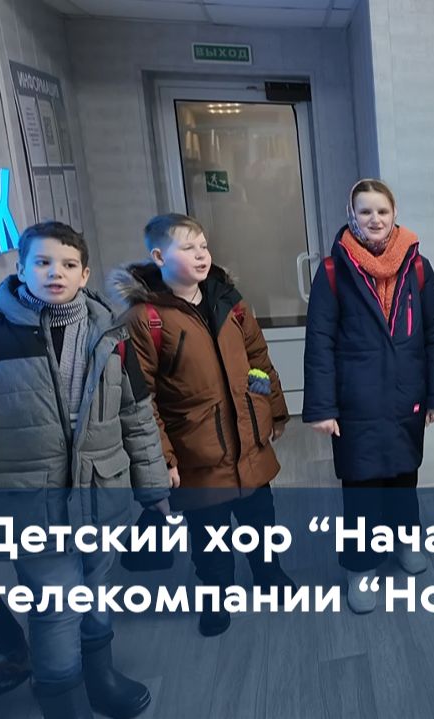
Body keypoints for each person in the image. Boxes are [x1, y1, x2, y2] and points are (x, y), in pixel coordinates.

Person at [0, 221, 170, 719]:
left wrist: (152, 490)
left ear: (84, 274)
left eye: (67, 264)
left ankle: (99, 677)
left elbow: (137, 417)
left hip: (101, 500)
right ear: (21, 270)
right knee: (56, 608)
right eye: (42, 262)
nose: (55, 272)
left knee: (97, 591)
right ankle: (63, 699)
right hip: (30, 513)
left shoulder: (112, 340)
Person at [111, 213, 292, 638]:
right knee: (210, 537)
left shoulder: (230, 302)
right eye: (188, 247)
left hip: (248, 441)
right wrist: (164, 460)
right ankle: (217, 594)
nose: (201, 255)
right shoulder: (145, 319)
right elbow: (140, 399)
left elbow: (258, 360)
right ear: (160, 257)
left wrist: (273, 409)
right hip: (196, 453)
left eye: (204, 246)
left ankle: (268, 575)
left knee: (261, 521)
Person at [303, 179, 434, 614]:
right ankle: (361, 566)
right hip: (357, 400)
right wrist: (322, 407)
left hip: (407, 395)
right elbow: (320, 341)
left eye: (382, 211)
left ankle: (405, 542)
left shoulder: (418, 267)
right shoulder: (333, 270)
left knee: (404, 477)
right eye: (365, 211)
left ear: (394, 213)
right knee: (362, 487)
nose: (374, 219)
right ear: (352, 215)